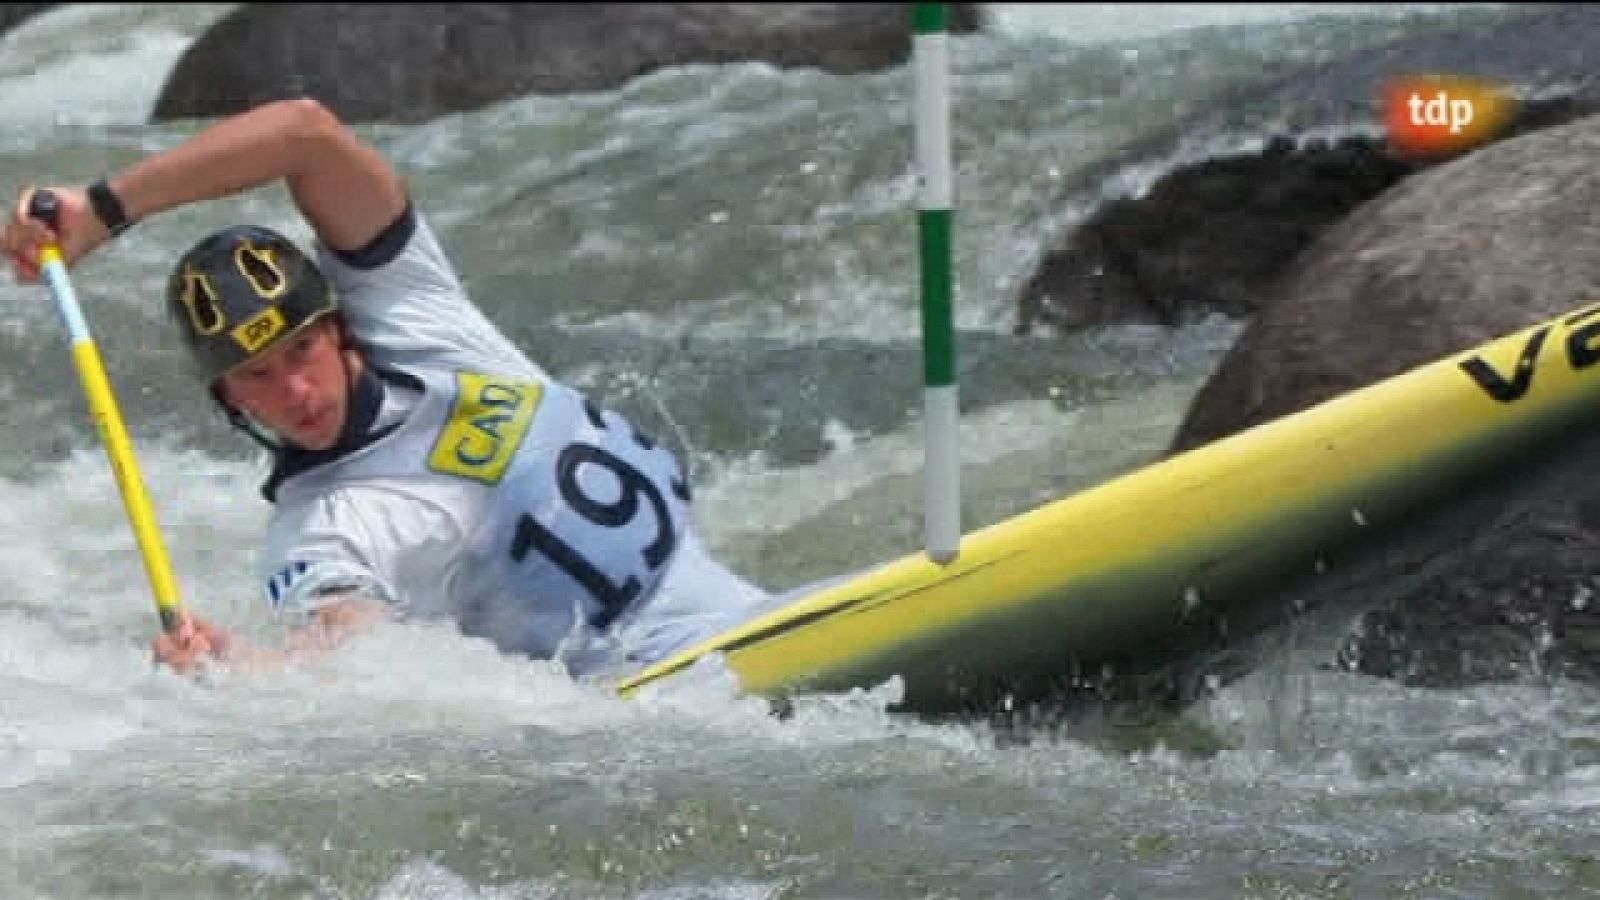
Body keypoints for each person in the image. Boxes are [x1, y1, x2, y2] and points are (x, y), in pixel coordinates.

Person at [3, 97, 774, 680]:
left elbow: (304, 132)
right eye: (258, 376)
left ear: (339, 331)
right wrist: (234, 665)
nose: (295, 388)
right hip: (667, 692)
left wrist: (103, 211)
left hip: (756, 615)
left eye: (301, 348)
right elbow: (347, 649)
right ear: (232, 402)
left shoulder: (416, 314)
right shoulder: (321, 529)